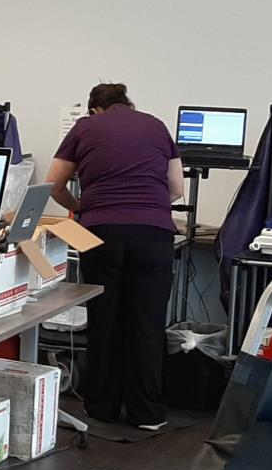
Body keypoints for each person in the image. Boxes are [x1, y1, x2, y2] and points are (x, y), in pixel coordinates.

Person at [46, 83, 185, 431]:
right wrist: (147, 209)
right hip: (154, 235)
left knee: (104, 319)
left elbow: (54, 185)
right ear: (128, 104)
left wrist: (82, 207)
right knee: (147, 323)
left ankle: (102, 407)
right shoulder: (156, 125)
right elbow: (177, 189)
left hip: (101, 232)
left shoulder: (84, 128)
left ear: (95, 109)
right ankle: (148, 413)